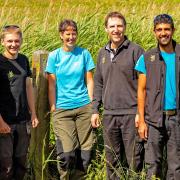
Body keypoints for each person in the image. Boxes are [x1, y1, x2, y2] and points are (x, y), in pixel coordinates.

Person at [91, 11, 144, 179]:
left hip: (131, 114)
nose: (116, 30)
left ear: (125, 27)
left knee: (134, 159)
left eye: (119, 26)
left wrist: (140, 114)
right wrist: (94, 110)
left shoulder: (136, 51)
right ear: (106, 29)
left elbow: (144, 86)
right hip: (109, 115)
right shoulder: (102, 54)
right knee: (111, 160)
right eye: (112, 26)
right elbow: (98, 83)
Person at [45, 19, 95, 180]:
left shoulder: (84, 54)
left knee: (86, 151)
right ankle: (65, 177)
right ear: (61, 35)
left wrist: (92, 105)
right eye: (68, 34)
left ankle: (80, 177)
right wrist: (53, 107)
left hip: (83, 107)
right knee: (67, 153)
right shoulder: (54, 56)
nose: (71, 37)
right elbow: (51, 85)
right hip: (62, 109)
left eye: (74, 33)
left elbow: (89, 80)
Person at [135, 14, 180, 179]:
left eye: (167, 29)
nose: (163, 33)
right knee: (152, 164)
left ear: (173, 30)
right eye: (159, 30)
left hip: (177, 119)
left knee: (176, 165)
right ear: (154, 32)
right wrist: (141, 120)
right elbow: (141, 90)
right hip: (153, 120)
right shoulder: (147, 58)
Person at [0, 25, 39, 180]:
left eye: (17, 41)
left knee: (21, 163)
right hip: (5, 122)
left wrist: (33, 113)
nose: (13, 44)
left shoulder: (23, 59)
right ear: (2, 41)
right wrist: (0, 121)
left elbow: (28, 86)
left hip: (23, 120)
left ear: (21, 40)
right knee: (6, 167)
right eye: (9, 41)